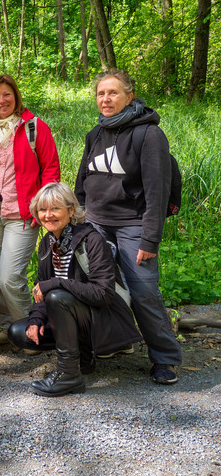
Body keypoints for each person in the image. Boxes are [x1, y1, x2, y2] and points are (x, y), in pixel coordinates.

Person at [75, 68, 182, 385]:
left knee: (144, 291)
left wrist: (150, 239)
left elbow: (157, 191)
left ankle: (165, 358)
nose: (105, 99)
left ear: (129, 96)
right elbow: (83, 180)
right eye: (100, 93)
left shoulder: (148, 135)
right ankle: (108, 345)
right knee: (100, 288)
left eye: (112, 93)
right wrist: (81, 216)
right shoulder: (95, 134)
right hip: (95, 223)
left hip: (133, 225)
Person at [8, 182, 142, 397]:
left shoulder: (92, 240)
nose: (48, 215)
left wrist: (57, 283)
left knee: (57, 296)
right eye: (42, 210)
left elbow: (103, 293)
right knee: (18, 332)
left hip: (104, 319)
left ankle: (68, 374)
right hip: (70, 315)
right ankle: (82, 356)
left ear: (71, 210)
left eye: (55, 209)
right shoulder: (48, 242)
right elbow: (41, 289)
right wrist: (35, 320)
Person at [0, 74, 61, 346]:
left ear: (15, 96)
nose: (1, 100)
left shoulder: (35, 128)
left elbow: (51, 170)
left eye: (6, 94)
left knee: (9, 277)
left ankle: (31, 331)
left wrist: (43, 209)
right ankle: (7, 327)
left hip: (23, 215)